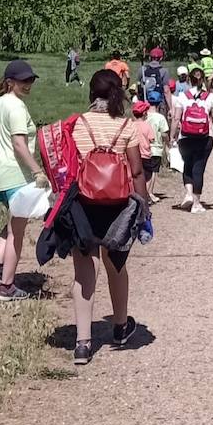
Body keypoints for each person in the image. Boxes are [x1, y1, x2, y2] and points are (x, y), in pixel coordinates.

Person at [68, 70, 148, 364]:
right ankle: (119, 326)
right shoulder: (127, 126)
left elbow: (68, 164)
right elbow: (137, 171)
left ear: (91, 94)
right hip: (118, 204)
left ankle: (82, 343)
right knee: (116, 265)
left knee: (84, 271)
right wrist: (143, 207)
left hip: (84, 203)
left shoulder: (78, 124)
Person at [0, 60, 50, 301]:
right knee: (17, 233)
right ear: (10, 82)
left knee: (15, 221)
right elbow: (19, 144)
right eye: (24, 81)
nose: (28, 84)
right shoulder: (16, 107)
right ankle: (7, 287)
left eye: (31, 80)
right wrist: (37, 171)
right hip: (15, 175)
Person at [169, 66, 213, 214]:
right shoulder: (210, 97)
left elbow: (176, 118)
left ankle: (188, 194)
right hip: (204, 138)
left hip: (185, 138)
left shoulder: (182, 96)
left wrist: (172, 136)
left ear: (189, 79)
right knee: (198, 169)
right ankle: (196, 203)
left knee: (187, 165)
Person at [133, 97, 169, 200]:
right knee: (148, 175)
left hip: (135, 154)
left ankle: (137, 194)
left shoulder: (131, 125)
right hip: (146, 154)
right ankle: (146, 194)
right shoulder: (146, 125)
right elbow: (152, 139)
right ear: (144, 113)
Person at [141, 48, 170, 112]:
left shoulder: (142, 70)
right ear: (161, 58)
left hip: (144, 102)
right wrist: (170, 108)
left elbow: (138, 88)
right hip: (159, 103)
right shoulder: (164, 71)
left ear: (149, 58)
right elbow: (166, 91)